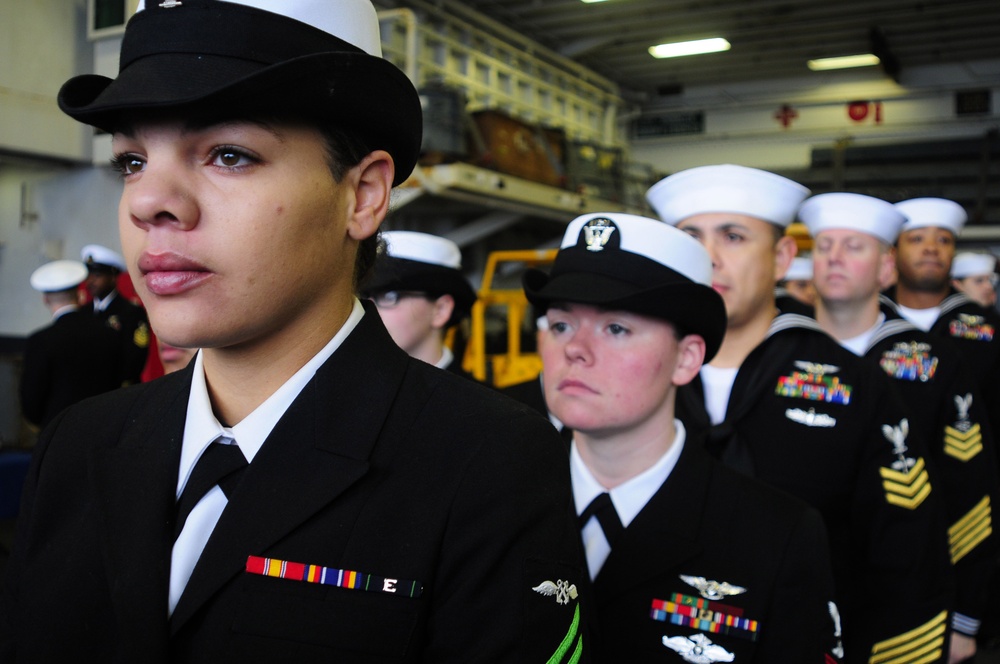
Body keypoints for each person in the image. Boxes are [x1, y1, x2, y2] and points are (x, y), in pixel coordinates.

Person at [0, 2, 587, 662]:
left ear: (362, 195)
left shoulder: (486, 464)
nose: (147, 201)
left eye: (228, 154)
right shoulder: (81, 445)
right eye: (131, 161)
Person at [646, 164, 954, 663]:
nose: (709, 257)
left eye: (733, 236)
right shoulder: (638, 379)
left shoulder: (855, 387)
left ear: (784, 257)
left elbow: (908, 557)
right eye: (690, 236)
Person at [521, 211, 840, 661]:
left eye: (616, 328)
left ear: (686, 359)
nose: (575, 348)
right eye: (560, 325)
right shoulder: (496, 499)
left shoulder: (775, 536)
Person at [801, 192, 1000, 663]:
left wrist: (966, 615)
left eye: (854, 247)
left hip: (900, 600)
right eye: (825, 246)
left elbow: (969, 488)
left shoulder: (934, 362)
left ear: (885, 268)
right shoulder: (776, 356)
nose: (835, 260)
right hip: (798, 592)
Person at [886, 198, 1000, 457]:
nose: (931, 249)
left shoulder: (990, 330)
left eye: (944, 240)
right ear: (893, 253)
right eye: (916, 239)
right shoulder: (869, 321)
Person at [19, 260, 123, 429]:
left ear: (45, 299)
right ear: (79, 295)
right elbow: (116, 382)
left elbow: (31, 403)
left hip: (56, 431)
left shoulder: (41, 340)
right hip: (102, 429)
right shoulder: (108, 334)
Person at [360, 230, 477, 379]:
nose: (370, 309)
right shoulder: (350, 394)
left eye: (390, 296)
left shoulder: (481, 401)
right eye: (365, 296)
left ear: (441, 310)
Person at [81, 243, 151, 384]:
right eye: (88, 275)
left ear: (113, 277)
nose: (90, 281)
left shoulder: (131, 313)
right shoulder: (82, 312)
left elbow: (134, 360)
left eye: (97, 275)